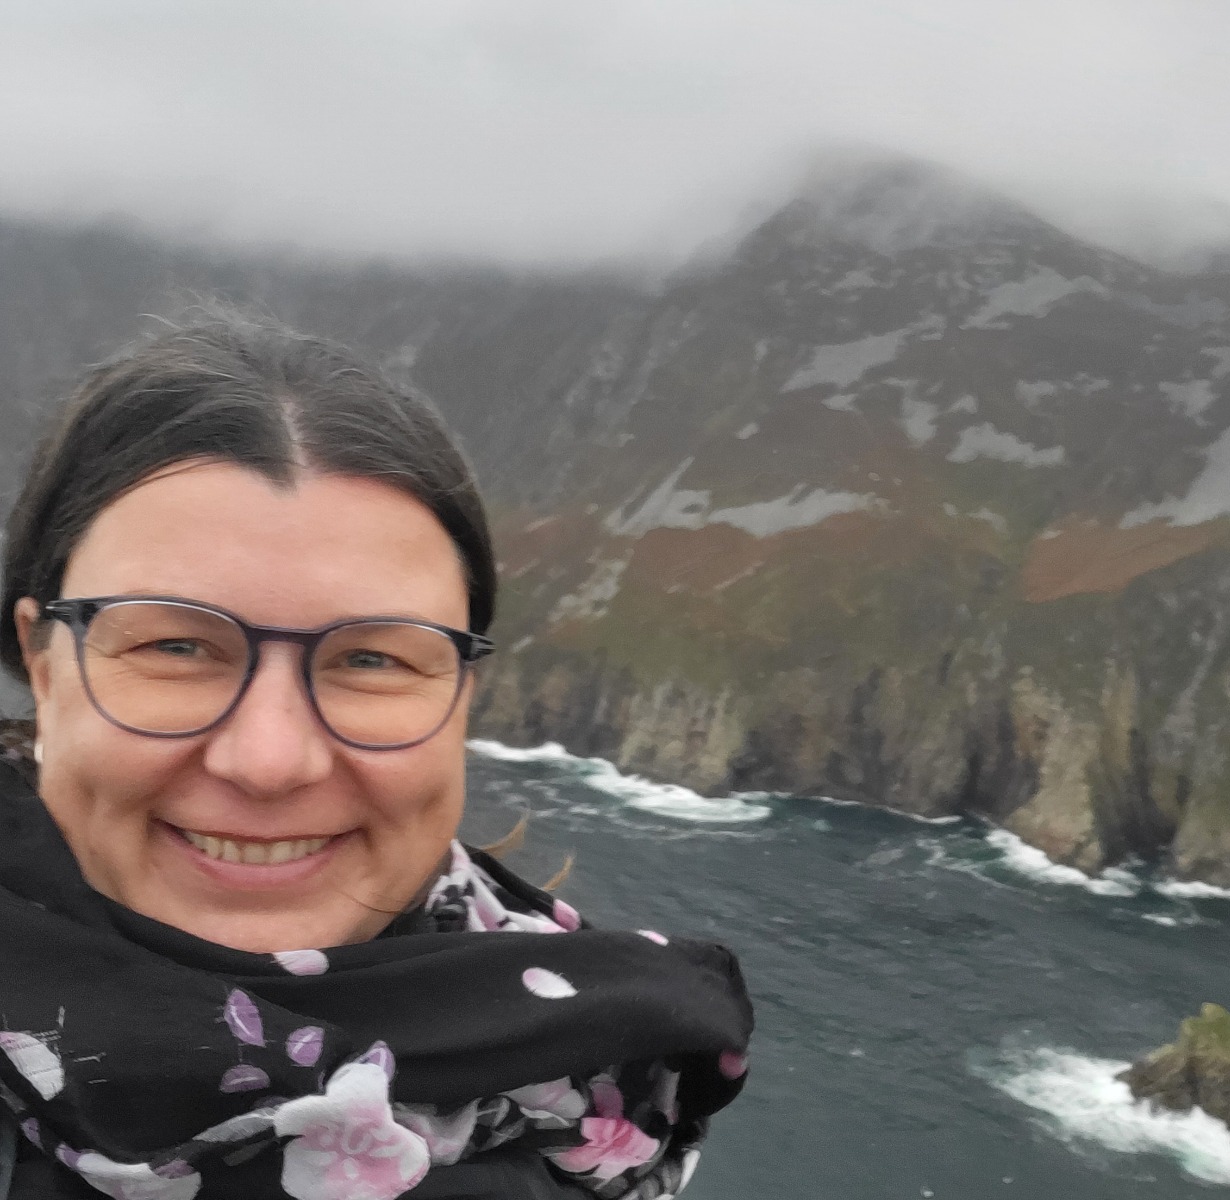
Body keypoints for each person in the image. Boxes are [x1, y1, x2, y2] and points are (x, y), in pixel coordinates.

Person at [0, 314, 753, 1200]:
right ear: (43, 665)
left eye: (372, 659)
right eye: (175, 646)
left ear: (461, 696)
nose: (271, 761)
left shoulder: (609, 1071)